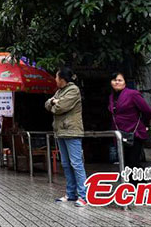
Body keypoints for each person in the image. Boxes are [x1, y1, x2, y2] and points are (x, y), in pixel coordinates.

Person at [45, 67, 87, 207]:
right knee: (66, 164)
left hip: (72, 131)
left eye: (56, 77)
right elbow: (47, 104)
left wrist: (55, 103)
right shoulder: (59, 92)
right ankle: (70, 194)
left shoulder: (73, 90)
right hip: (60, 131)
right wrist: (53, 102)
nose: (55, 80)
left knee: (76, 164)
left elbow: (60, 108)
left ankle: (83, 196)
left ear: (62, 79)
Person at [108, 72, 151, 172]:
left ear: (125, 82)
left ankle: (139, 186)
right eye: (114, 80)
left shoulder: (132, 94)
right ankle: (132, 186)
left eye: (120, 80)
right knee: (125, 164)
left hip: (134, 133)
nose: (117, 82)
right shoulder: (111, 97)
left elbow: (147, 111)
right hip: (120, 134)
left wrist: (144, 124)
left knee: (134, 163)